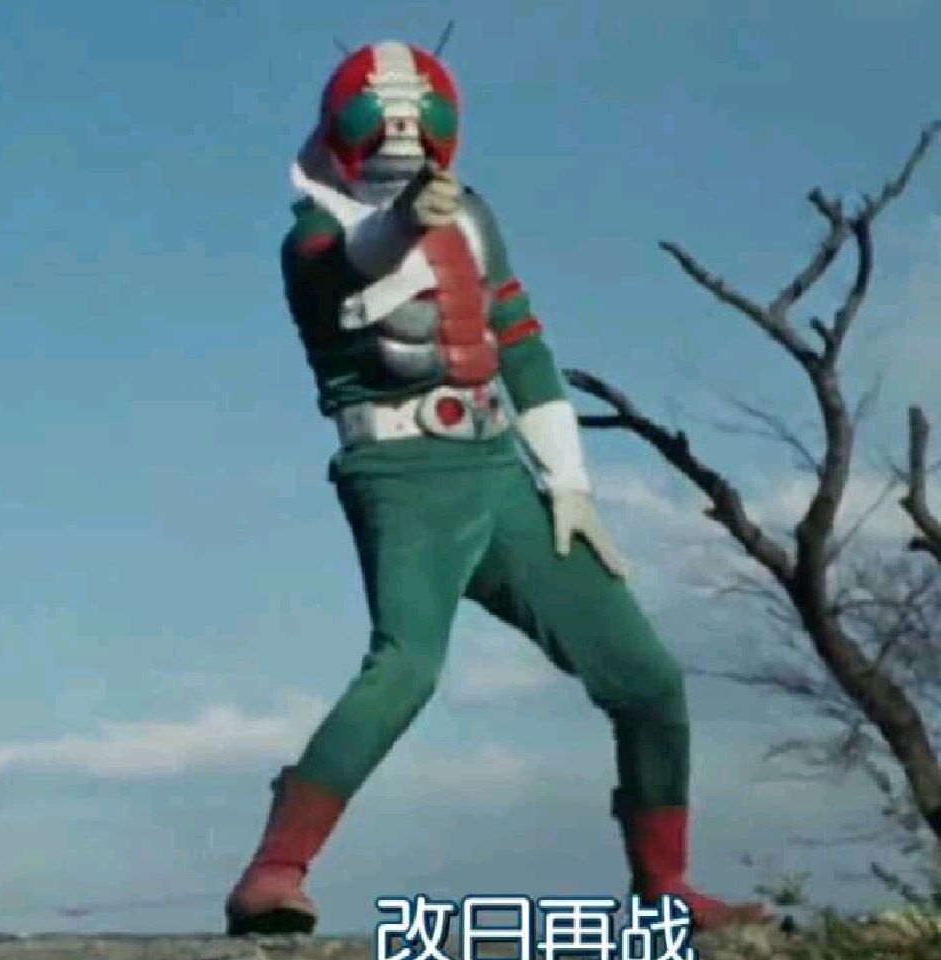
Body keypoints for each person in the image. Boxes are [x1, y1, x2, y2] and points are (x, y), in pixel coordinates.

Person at [224, 39, 770, 937]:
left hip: (500, 471)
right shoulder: (313, 232)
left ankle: (664, 886)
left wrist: (569, 483)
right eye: (384, 116)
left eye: (417, 115)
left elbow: (515, 334)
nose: (403, 132)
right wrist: (407, 219)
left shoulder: (473, 216)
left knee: (646, 679)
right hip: (402, 474)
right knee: (406, 667)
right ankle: (275, 871)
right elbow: (355, 260)